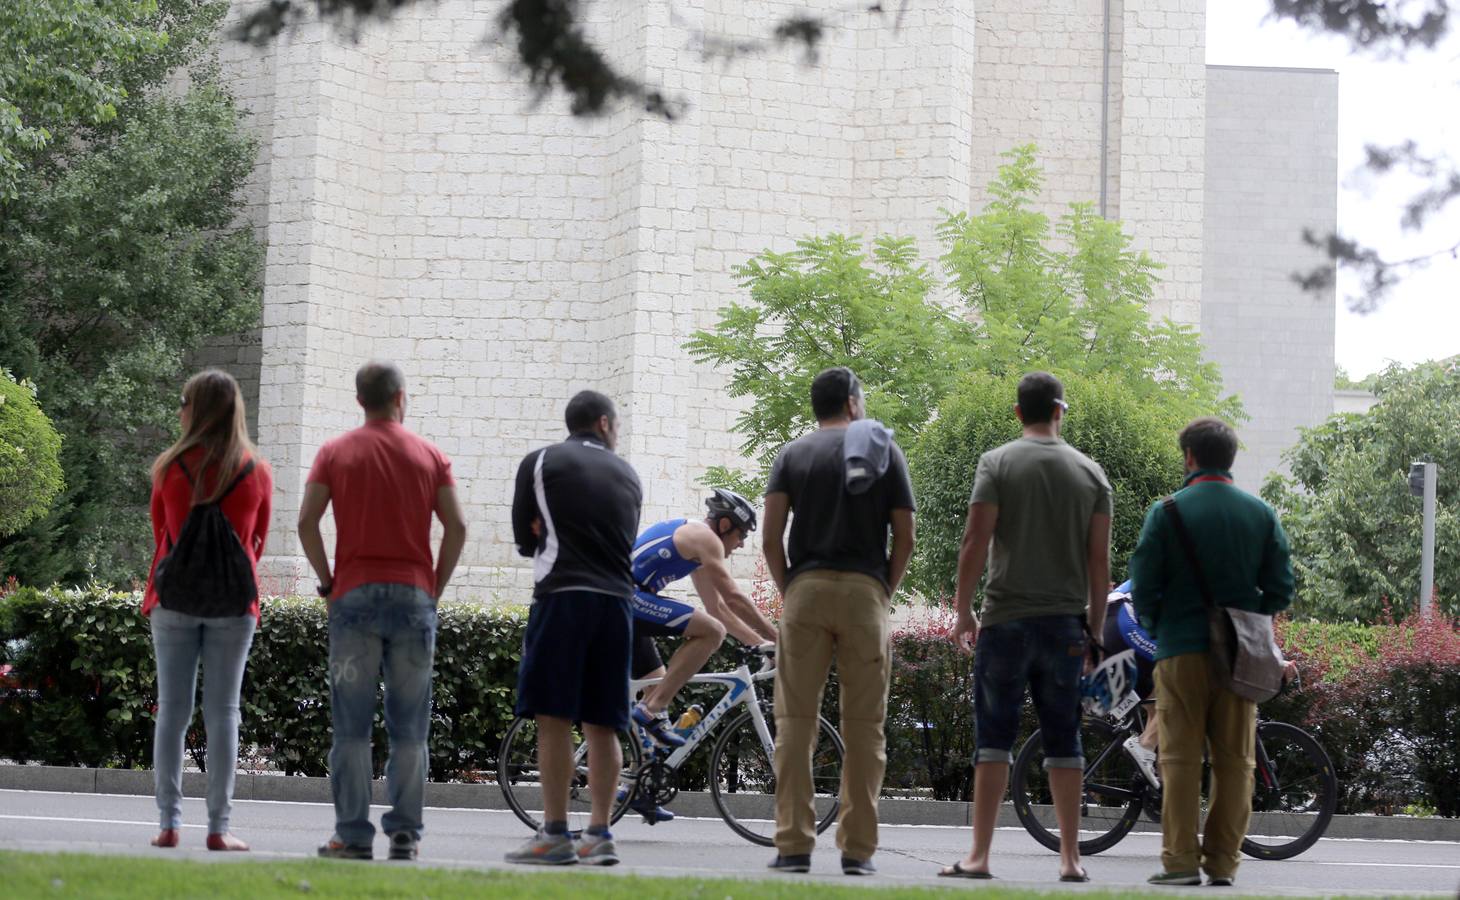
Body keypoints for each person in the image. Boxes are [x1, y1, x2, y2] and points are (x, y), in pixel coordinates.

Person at [942, 371, 1111, 883]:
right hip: (1065, 626)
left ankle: (980, 857)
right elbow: (1099, 564)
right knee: (1065, 740)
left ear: (1018, 413)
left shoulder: (997, 463)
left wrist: (963, 610)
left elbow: (975, 541)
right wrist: (1096, 632)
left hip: (1005, 622)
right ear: (1061, 410)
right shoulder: (1090, 474)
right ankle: (1070, 860)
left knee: (993, 738)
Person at [300, 361, 467, 862]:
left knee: (351, 727)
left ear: (360, 401)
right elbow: (456, 526)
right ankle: (405, 835)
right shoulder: (430, 455)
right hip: (413, 598)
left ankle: (351, 835)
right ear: (401, 398)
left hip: (352, 597)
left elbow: (307, 521)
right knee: (410, 727)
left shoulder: (334, 452)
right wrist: (432, 588)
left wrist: (329, 580)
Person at [762, 366, 916, 877]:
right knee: (865, 728)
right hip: (865, 594)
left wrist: (793, 590)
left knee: (795, 725)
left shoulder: (792, 454)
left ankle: (792, 846)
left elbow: (770, 537)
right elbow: (905, 536)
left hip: (804, 592)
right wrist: (881, 591)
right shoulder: (883, 449)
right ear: (852, 403)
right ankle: (857, 851)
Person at [1130, 417, 1294, 888]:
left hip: (1180, 650)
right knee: (1237, 761)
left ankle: (1180, 862)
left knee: (1178, 759)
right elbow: (1281, 588)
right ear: (1231, 458)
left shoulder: (1167, 512)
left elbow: (1144, 585)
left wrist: (1159, 626)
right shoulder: (1259, 513)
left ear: (1189, 457)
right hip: (1239, 656)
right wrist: (1247, 616)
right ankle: (1222, 864)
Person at [507, 390, 642, 867]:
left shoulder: (540, 461)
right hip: (618, 604)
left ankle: (556, 833)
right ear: (604, 424)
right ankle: (601, 834)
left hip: (562, 596)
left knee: (553, 717)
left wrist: (544, 535)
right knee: (604, 723)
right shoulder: (628, 474)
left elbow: (526, 539)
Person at [144, 369, 272, 852]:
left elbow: (162, 539)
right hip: (233, 604)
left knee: (172, 712)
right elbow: (256, 543)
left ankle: (169, 823)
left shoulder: (169, 467)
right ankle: (219, 828)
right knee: (223, 712)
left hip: (173, 602)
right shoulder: (255, 470)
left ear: (194, 409)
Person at [623, 489, 780, 823]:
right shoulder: (704, 538)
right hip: (625, 599)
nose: (740, 544)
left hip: (630, 604)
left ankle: (636, 789)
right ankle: (650, 709)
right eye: (740, 534)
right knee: (709, 634)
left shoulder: (695, 546)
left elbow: (718, 608)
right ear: (724, 524)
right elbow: (735, 599)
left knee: (658, 685)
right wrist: (777, 638)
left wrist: (757, 642)